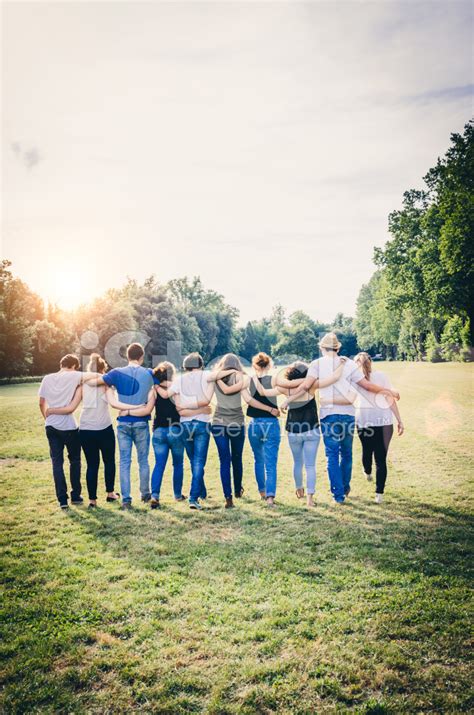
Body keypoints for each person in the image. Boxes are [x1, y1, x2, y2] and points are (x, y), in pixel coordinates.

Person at [281, 333, 400, 504]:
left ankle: (338, 495)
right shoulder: (350, 364)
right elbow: (367, 385)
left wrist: (288, 400)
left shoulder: (316, 364)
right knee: (346, 453)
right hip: (348, 415)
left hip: (329, 416)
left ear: (322, 348)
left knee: (332, 455)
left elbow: (305, 386)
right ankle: (344, 487)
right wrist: (389, 392)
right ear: (338, 348)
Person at [251, 358, 344, 507]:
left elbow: (262, 392)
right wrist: (341, 364)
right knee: (310, 465)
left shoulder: (285, 388)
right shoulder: (312, 385)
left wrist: (255, 376)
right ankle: (309, 499)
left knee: (297, 463)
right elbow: (333, 378)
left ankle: (299, 489)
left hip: (293, 430)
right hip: (311, 429)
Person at [84, 342, 155, 510]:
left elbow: (94, 382)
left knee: (124, 462)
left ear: (127, 356)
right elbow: (165, 383)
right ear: (142, 357)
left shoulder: (115, 373)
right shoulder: (149, 373)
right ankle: (145, 494)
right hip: (141, 422)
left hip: (123, 423)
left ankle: (126, 499)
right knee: (143, 461)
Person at [45, 353, 120, 508]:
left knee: (92, 464)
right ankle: (110, 493)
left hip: (86, 429)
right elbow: (114, 402)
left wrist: (52, 410)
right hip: (105, 428)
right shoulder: (106, 384)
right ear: (102, 369)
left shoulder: (81, 386)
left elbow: (71, 407)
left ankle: (92, 500)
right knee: (109, 461)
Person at [148, 361, 211, 509]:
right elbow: (180, 408)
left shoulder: (154, 390)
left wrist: (156, 383)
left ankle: (155, 495)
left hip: (158, 430)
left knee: (159, 464)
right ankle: (177, 495)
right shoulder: (177, 387)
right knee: (178, 464)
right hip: (176, 429)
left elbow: (150, 408)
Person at [354, 352, 404, 503]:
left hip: (364, 421)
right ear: (371, 362)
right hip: (384, 421)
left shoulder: (355, 378)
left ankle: (367, 472)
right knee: (381, 459)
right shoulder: (382, 375)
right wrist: (399, 420)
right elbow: (390, 398)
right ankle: (379, 494)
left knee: (367, 451)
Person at [39, 354, 84, 509]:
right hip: (70, 427)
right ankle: (76, 496)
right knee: (75, 461)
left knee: (57, 463)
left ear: (61, 364)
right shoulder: (74, 376)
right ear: (73, 366)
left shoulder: (47, 378)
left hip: (51, 426)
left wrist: (47, 416)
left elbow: (41, 402)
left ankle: (62, 500)